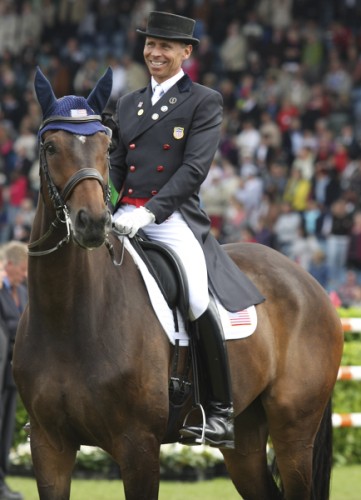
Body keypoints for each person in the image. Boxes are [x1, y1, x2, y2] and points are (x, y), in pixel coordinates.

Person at [110, 11, 265, 449]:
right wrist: (107, 203)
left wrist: (150, 212)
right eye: (150, 45)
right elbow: (118, 166)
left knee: (197, 296)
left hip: (172, 218)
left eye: (165, 47)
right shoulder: (128, 103)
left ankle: (217, 411)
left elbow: (194, 170)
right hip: (124, 217)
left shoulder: (203, 100)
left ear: (185, 52)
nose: (155, 53)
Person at [0, 242, 28, 500]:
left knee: (6, 429)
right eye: (21, 269)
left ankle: (1, 482)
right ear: (8, 265)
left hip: (11, 374)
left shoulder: (24, 292)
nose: (25, 274)